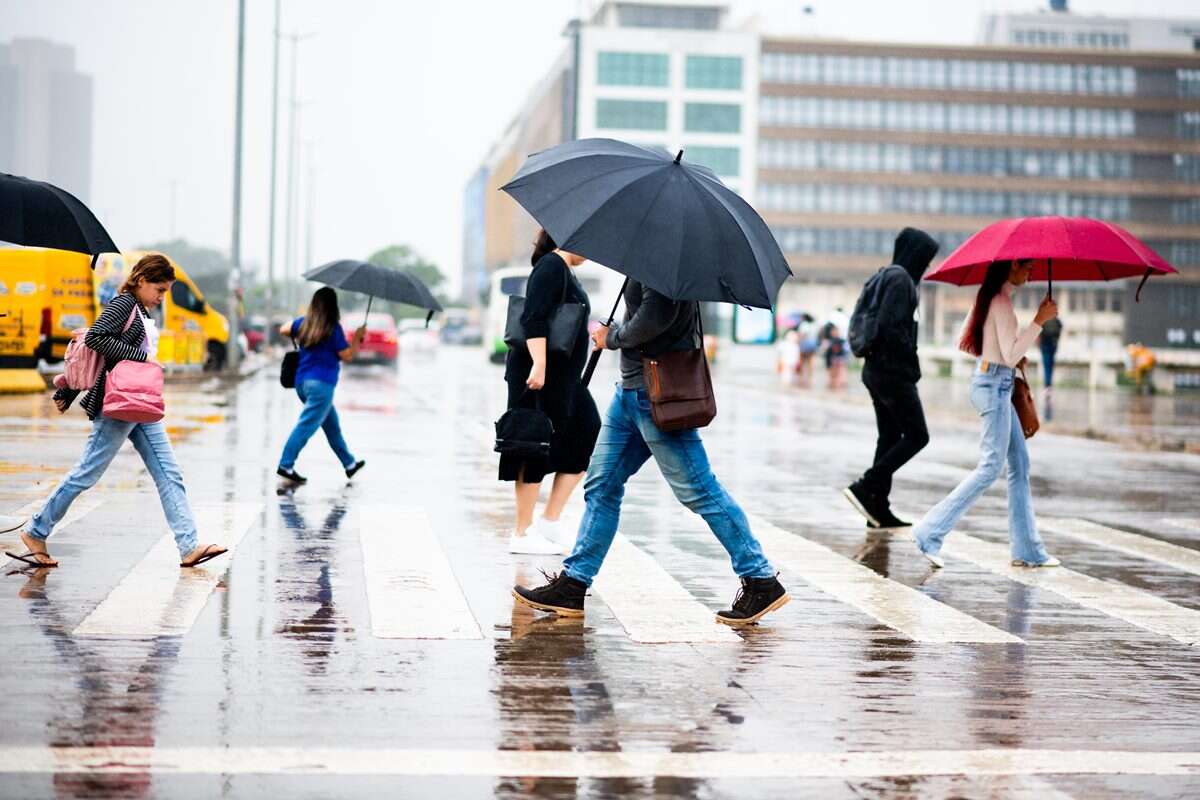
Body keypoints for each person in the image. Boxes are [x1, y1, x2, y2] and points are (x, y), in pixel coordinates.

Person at [512, 281, 789, 626]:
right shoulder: (647, 261)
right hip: (629, 394)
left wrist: (609, 338)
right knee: (601, 485)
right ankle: (575, 582)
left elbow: (653, 319)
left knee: (699, 490)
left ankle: (760, 578)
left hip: (658, 395)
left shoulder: (665, 268)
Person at [7, 254, 228, 569]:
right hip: (118, 403)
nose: (162, 298)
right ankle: (36, 530)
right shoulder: (123, 304)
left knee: (169, 473)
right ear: (140, 280)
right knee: (87, 473)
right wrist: (139, 355)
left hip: (138, 403)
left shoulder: (138, 308)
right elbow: (96, 338)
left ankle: (189, 545)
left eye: (165, 291)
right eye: (159, 290)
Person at [912, 258, 1061, 570]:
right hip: (993, 386)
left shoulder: (990, 298)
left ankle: (1028, 550)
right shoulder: (1001, 302)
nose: (1031, 272)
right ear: (1012, 268)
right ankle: (929, 532)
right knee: (991, 466)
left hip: (995, 382)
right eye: (1027, 266)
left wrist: (1014, 359)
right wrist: (1039, 320)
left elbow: (997, 351)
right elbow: (1008, 353)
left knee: (1020, 464)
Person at [500, 230, 601, 555]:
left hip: (564, 380)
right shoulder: (550, 266)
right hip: (539, 377)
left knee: (586, 431)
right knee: (532, 445)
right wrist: (539, 365)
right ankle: (522, 531)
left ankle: (550, 520)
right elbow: (534, 318)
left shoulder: (564, 271)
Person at [844, 228, 939, 530]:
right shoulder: (900, 280)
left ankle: (877, 506)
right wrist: (911, 365)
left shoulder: (885, 275)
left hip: (875, 369)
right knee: (917, 436)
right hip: (892, 372)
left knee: (888, 437)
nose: (926, 267)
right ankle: (866, 485)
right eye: (925, 260)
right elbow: (890, 327)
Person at [276, 287, 367, 485]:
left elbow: (283, 328)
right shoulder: (333, 328)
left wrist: (299, 333)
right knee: (306, 426)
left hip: (302, 384)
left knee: (332, 426)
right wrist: (357, 339)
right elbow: (347, 355)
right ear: (333, 305)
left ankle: (349, 464)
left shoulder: (304, 324)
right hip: (322, 386)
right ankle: (285, 464)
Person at [1039, 317, 1063, 391]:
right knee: (1050, 364)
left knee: (1046, 364)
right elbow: (1060, 329)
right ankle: (1049, 384)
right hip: (1053, 345)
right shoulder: (1057, 321)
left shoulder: (1044, 320)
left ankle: (1047, 384)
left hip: (1045, 345)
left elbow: (1039, 331)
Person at [824, 324, 849, 390]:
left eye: (835, 331)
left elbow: (845, 350)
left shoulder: (841, 340)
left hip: (839, 358)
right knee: (833, 372)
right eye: (833, 331)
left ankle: (837, 385)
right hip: (832, 359)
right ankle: (833, 384)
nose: (833, 333)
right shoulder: (830, 340)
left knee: (839, 372)